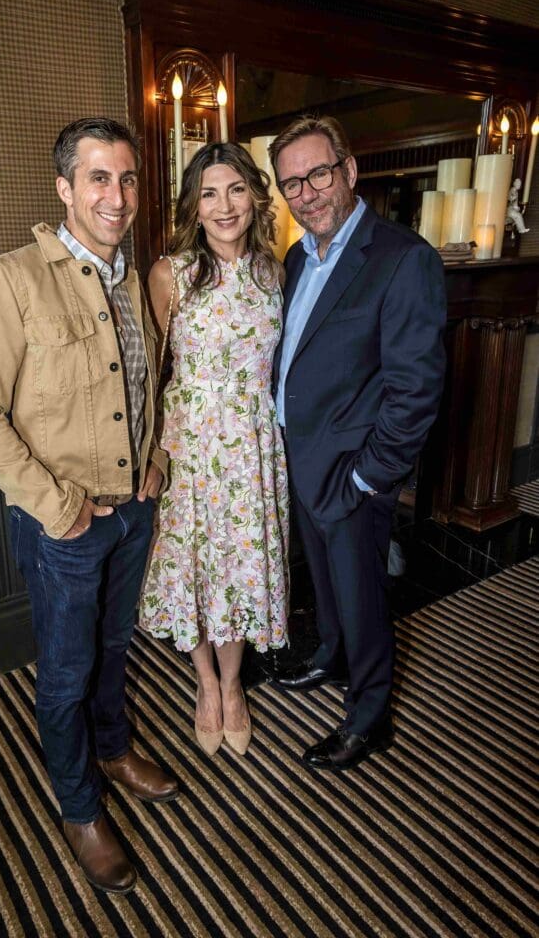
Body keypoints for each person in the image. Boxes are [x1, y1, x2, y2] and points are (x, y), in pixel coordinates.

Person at [0, 118, 178, 895]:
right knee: (67, 671)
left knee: (114, 651)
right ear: (64, 189)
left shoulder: (133, 277)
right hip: (65, 525)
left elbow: (142, 391)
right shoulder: (9, 280)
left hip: (132, 511)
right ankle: (79, 807)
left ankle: (114, 749)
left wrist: (153, 461)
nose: (117, 197)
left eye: (127, 179)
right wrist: (59, 506)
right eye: (98, 179)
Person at [270, 115, 446, 770]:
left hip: (350, 471)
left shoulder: (402, 259)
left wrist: (368, 478)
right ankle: (329, 656)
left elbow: (415, 391)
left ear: (347, 171)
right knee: (324, 581)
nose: (306, 192)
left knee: (362, 595)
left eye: (317, 174)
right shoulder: (296, 256)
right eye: (291, 183)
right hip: (303, 458)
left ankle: (368, 717)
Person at [139, 142, 289, 757]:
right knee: (196, 569)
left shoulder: (274, 271)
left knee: (242, 566)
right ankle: (204, 682)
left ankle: (233, 684)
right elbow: (153, 371)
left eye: (234, 190)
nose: (224, 206)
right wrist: (152, 455)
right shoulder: (168, 274)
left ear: (255, 196)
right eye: (208, 193)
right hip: (194, 445)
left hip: (253, 445)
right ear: (192, 207)